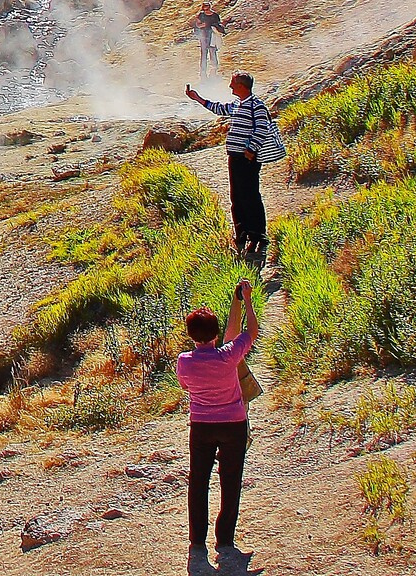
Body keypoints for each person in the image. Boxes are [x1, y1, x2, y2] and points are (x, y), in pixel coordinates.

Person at [178, 280, 259, 561]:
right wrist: (245, 301)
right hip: (233, 424)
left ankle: (197, 540)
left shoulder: (184, 362)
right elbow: (250, 332)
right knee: (230, 481)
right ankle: (224, 539)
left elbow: (186, 387)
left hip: (201, 426)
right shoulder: (228, 356)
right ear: (214, 334)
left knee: (198, 481)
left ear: (191, 335)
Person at [186, 73, 282, 258]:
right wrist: (197, 98)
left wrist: (251, 149)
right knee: (236, 196)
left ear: (242, 86)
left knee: (250, 195)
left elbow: (262, 128)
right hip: (235, 157)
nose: (230, 87)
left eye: (233, 83)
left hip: (247, 158)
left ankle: (258, 235)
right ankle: (242, 234)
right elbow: (219, 109)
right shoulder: (239, 104)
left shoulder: (257, 105)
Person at [192, 4, 228, 84]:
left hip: (212, 36)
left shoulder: (215, 15)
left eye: (207, 8)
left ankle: (214, 69)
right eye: (204, 8)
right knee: (204, 53)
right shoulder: (201, 15)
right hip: (204, 36)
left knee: (212, 52)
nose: (206, 10)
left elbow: (219, 24)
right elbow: (197, 24)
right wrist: (201, 26)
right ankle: (203, 70)